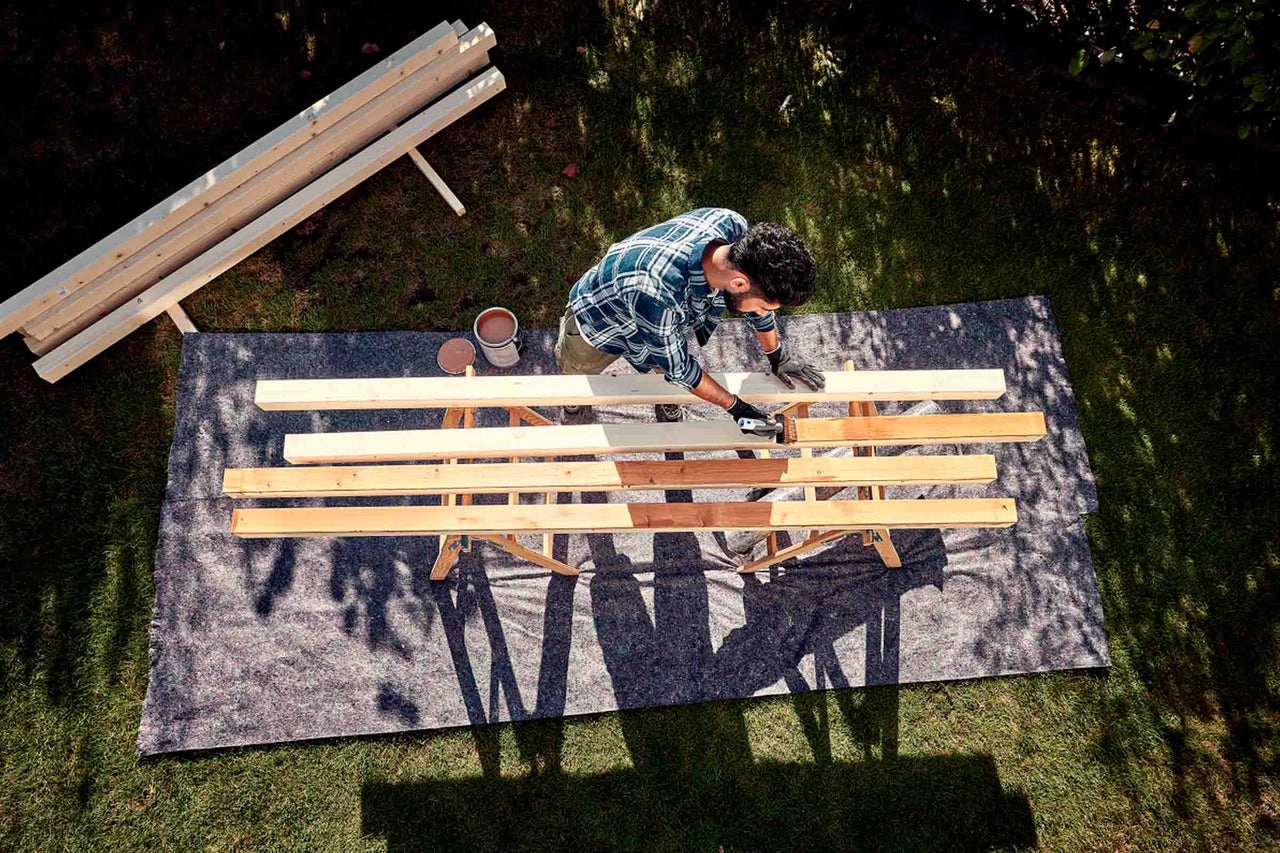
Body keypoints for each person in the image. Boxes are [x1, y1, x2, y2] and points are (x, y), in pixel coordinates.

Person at [554, 207, 825, 429]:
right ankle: (574, 401)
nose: (764, 314)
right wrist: (736, 407)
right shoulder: (659, 293)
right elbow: (680, 369)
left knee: (662, 358)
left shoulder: (732, 227)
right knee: (577, 370)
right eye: (766, 306)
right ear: (740, 283)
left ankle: (667, 396)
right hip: (602, 323)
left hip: (658, 317)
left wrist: (777, 356)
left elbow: (754, 308)